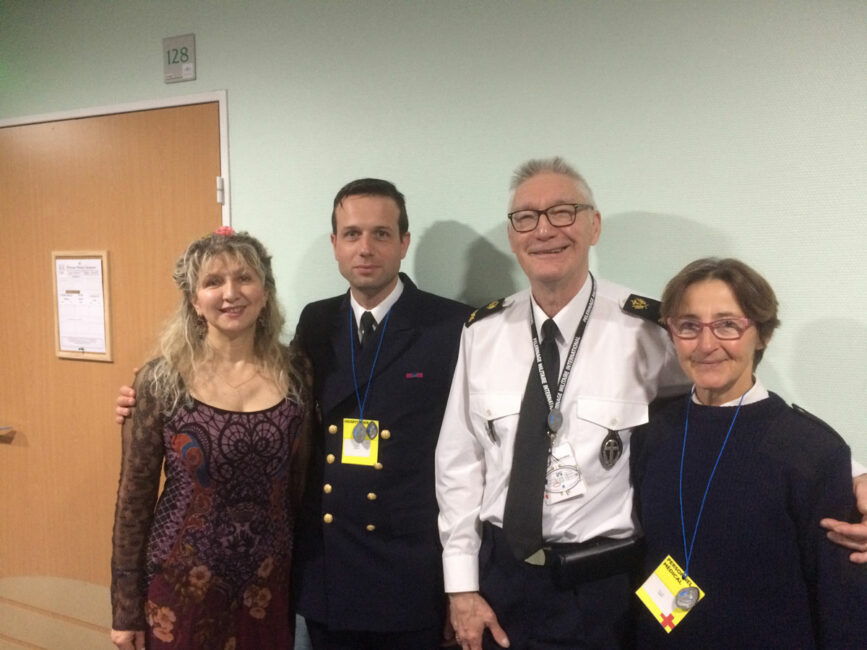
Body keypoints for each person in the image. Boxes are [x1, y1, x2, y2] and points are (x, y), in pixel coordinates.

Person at [434, 157, 867, 650]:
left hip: (606, 590)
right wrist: (461, 584)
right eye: (526, 217)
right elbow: (458, 463)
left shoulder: (648, 327)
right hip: (500, 582)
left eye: (563, 212)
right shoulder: (481, 332)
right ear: (513, 236)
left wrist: (848, 474)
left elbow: (729, 399)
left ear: (593, 225)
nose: (545, 230)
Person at [630, 257, 867, 647]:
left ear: (762, 334)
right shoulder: (653, 432)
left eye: (728, 324)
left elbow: (842, 605)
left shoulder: (813, 451)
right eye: (689, 326)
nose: (707, 345)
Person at [290, 178, 472, 649]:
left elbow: (473, 455)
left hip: (409, 572)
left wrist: (460, 583)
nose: (365, 248)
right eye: (351, 234)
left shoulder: (452, 325)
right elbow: (274, 400)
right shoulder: (316, 321)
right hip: (330, 566)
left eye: (381, 233)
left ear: (403, 243)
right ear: (335, 245)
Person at [110, 228, 312, 650]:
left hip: (268, 587)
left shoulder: (297, 373)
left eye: (244, 278)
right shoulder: (161, 381)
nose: (231, 293)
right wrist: (125, 611)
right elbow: (133, 503)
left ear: (265, 291)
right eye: (213, 281)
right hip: (180, 588)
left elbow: (300, 486)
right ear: (193, 300)